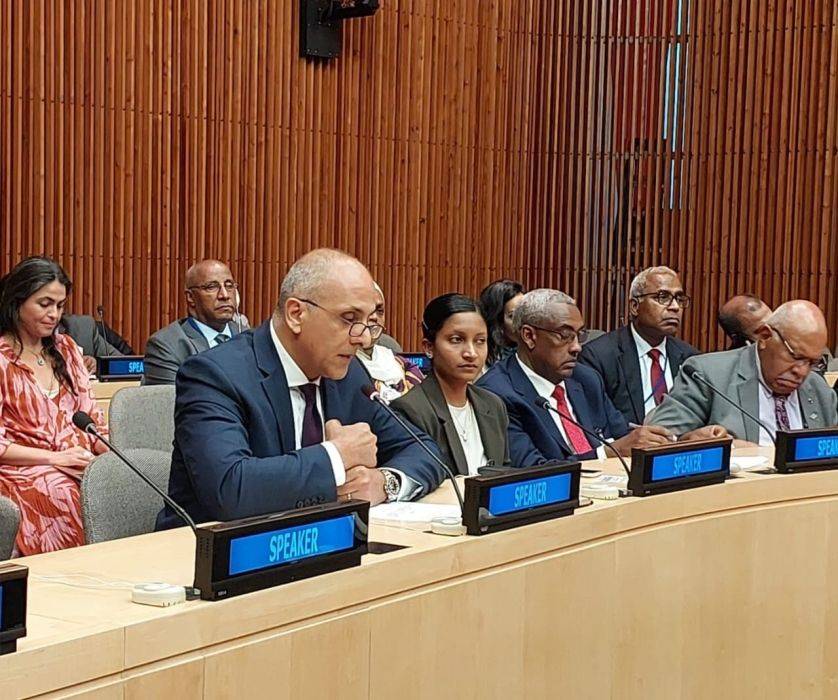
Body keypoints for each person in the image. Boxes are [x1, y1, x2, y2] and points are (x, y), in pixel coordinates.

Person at [156, 249, 446, 528]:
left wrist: (385, 482)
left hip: (320, 544)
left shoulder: (349, 374)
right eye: (349, 319)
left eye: (368, 322)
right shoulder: (215, 375)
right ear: (296, 314)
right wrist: (336, 456)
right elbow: (231, 489)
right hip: (209, 551)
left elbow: (425, 451)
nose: (364, 339)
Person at [477, 289, 675, 467]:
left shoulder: (586, 379)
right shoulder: (496, 394)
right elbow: (532, 470)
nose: (576, 347)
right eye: (564, 335)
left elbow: (622, 436)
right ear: (529, 336)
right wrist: (604, 454)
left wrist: (668, 441)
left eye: (579, 335)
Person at [0, 257, 108, 555]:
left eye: (60, 306)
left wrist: (109, 457)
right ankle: (75, 574)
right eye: (44, 304)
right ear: (17, 302)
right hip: (25, 469)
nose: (54, 315)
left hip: (78, 461)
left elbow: (93, 419)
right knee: (63, 491)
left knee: (123, 482)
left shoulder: (67, 349)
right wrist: (55, 458)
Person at [646, 301, 838, 444]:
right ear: (765, 337)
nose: (801, 371)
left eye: (812, 362)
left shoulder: (818, 389)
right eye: (795, 356)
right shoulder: (708, 375)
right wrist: (705, 445)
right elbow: (656, 440)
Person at [392, 294, 510, 476]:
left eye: (480, 341)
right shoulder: (410, 410)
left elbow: (505, 471)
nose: (471, 353)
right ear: (429, 347)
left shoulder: (493, 405)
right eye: (456, 340)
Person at [579, 266, 699, 425]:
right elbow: (596, 422)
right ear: (635, 306)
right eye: (663, 297)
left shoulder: (691, 359)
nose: (675, 307)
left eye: (679, 298)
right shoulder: (598, 357)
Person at [142, 260, 244, 385]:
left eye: (229, 286)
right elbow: (173, 397)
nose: (224, 295)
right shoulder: (166, 346)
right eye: (211, 287)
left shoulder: (249, 337)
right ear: (190, 297)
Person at [356, 284, 423, 400]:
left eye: (379, 311)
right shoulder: (340, 366)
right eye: (366, 310)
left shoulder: (399, 362)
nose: (374, 317)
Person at [479, 279, 525, 366]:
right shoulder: (481, 357)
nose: (523, 322)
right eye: (513, 316)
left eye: (525, 313)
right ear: (497, 321)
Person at [58, 314, 124, 374]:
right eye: (51, 306)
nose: (54, 313)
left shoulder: (83, 327)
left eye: (59, 306)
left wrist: (98, 365)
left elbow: (122, 364)